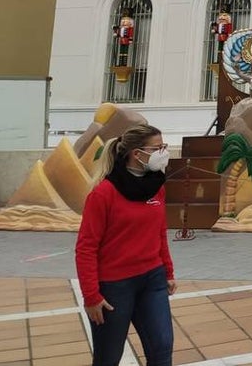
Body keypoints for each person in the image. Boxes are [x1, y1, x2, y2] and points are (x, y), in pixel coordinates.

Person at [75, 124, 176, 366]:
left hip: (152, 279)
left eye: (163, 146)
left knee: (162, 350)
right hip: (114, 286)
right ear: (136, 153)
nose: (163, 153)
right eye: (157, 148)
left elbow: (159, 233)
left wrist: (168, 271)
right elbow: (86, 248)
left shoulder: (157, 187)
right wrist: (91, 296)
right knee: (108, 358)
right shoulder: (103, 194)